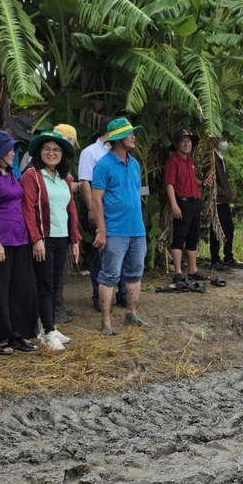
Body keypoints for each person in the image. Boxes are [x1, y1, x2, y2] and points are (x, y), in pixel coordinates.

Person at [0, 130, 39, 356]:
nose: (13, 152)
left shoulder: (10, 173)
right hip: (0, 240)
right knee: (0, 290)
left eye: (13, 148)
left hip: (20, 238)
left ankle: (17, 334)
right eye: (9, 149)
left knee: (21, 288)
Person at [22, 130, 81, 350]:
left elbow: (70, 209)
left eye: (56, 150)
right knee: (45, 284)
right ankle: (47, 331)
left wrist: (75, 239)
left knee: (56, 284)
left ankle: (50, 326)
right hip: (44, 239)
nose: (51, 153)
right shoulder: (32, 176)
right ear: (39, 152)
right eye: (47, 149)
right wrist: (36, 239)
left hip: (62, 238)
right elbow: (27, 209)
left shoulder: (63, 178)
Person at [91, 117, 148, 335]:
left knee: (135, 274)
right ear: (117, 139)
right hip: (114, 231)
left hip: (137, 230)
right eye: (129, 134)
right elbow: (96, 199)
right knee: (109, 276)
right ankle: (106, 323)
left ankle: (131, 314)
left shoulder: (134, 164)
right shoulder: (104, 165)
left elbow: (134, 193)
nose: (133, 136)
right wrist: (102, 230)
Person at [78, 116, 127, 311]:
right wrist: (91, 208)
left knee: (122, 252)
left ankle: (123, 294)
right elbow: (85, 182)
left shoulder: (119, 153)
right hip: (100, 211)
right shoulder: (90, 152)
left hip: (119, 214)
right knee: (100, 254)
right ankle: (99, 296)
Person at [163, 128, 205, 284]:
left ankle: (193, 269)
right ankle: (178, 272)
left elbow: (191, 179)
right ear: (176, 144)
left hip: (195, 202)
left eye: (189, 141)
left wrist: (202, 183)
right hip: (182, 202)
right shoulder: (172, 161)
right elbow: (169, 184)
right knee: (179, 236)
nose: (187, 144)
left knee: (193, 236)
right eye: (183, 141)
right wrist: (174, 205)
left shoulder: (190, 161)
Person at [51, 123, 80, 324]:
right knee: (49, 276)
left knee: (58, 274)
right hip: (47, 231)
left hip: (62, 227)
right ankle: (52, 311)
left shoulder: (62, 167)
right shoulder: (36, 165)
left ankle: (58, 307)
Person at [205, 135, 243, 271]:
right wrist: (220, 191)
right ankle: (215, 259)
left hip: (224, 200)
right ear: (215, 141)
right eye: (222, 139)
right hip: (218, 201)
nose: (224, 142)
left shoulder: (219, 157)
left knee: (228, 229)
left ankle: (228, 257)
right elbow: (210, 178)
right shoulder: (212, 158)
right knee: (217, 230)